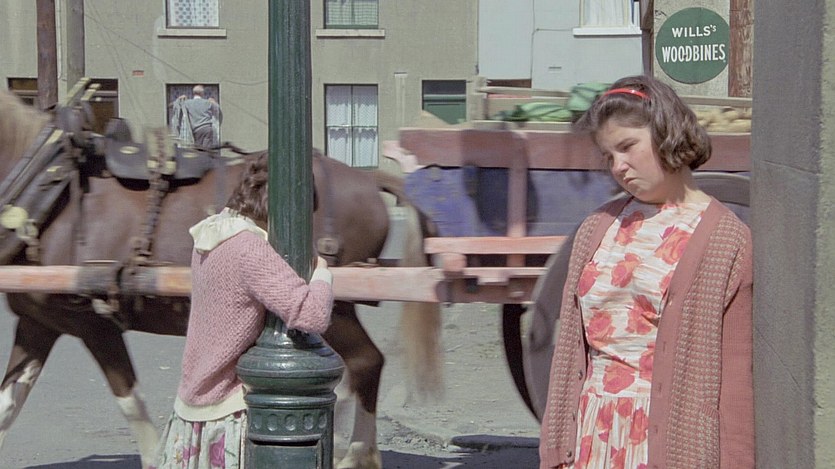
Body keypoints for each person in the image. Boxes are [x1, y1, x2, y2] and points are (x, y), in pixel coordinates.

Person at [538, 75, 754, 468]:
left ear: (665, 133)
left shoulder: (725, 239)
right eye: (608, 157)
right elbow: (568, 353)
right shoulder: (596, 228)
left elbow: (736, 378)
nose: (618, 167)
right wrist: (556, 448)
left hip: (670, 444)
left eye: (627, 147)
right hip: (590, 436)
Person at [151, 152, 334, 469]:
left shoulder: (212, 232)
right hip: (226, 410)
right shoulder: (249, 249)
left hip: (191, 405)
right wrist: (322, 274)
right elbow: (312, 313)